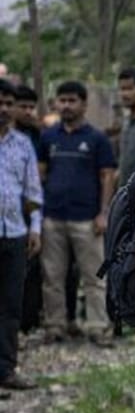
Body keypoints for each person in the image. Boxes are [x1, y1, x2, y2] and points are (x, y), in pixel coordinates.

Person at [40, 80, 116, 342]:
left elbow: (107, 176)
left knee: (94, 277)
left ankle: (97, 326)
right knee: (52, 276)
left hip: (88, 219)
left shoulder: (97, 139)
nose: (67, 105)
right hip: (53, 217)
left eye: (72, 101)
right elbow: (40, 174)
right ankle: (55, 325)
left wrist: (103, 213)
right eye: (62, 100)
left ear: (83, 104)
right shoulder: (48, 137)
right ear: (56, 103)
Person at [0, 79, 44, 391]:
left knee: (11, 306)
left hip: (14, 233)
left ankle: (6, 370)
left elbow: (31, 190)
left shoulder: (23, 144)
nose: (3, 109)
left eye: (8, 103)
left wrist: (35, 227)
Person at [11, 85, 45, 333]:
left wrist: (34, 224)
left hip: (17, 225)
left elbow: (33, 188)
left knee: (19, 285)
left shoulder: (28, 141)